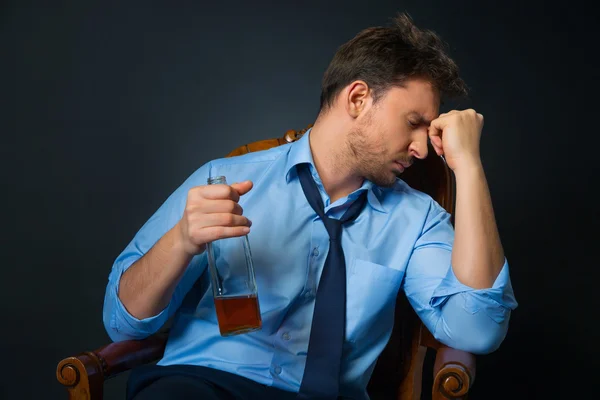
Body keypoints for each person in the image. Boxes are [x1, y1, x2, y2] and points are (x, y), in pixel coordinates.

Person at [103, 12, 518, 400]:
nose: (422, 148)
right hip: (204, 385)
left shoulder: (418, 219)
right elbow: (123, 323)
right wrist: (179, 242)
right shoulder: (223, 181)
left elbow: (476, 330)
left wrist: (469, 167)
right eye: (413, 123)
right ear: (357, 99)